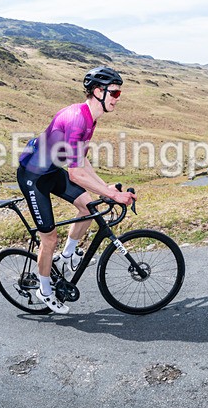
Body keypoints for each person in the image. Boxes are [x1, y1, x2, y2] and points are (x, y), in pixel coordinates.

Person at [17, 66, 136, 314]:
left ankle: (68, 255)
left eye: (119, 93)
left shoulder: (90, 118)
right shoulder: (77, 119)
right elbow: (75, 173)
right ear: (97, 91)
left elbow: (81, 160)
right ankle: (44, 290)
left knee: (87, 206)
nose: (117, 98)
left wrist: (104, 189)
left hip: (50, 170)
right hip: (33, 176)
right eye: (114, 93)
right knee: (49, 238)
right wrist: (112, 194)